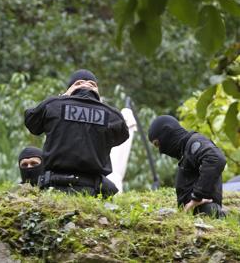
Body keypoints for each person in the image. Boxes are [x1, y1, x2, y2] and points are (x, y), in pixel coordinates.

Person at [24, 69, 129, 197]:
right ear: (96, 91)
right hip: (93, 192)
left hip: (55, 190)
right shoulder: (113, 115)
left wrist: (64, 97)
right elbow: (121, 137)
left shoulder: (53, 105)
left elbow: (31, 122)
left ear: (71, 89)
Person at [148, 115, 226, 217]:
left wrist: (196, 197)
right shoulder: (185, 151)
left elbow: (216, 158)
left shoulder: (194, 142)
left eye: (158, 144)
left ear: (167, 133)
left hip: (207, 211)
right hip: (196, 213)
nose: (161, 150)